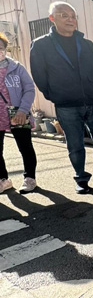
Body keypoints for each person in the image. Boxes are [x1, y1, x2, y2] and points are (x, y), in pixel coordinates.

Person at [29, 2, 93, 194]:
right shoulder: (41, 46)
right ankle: (81, 179)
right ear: (52, 18)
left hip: (92, 102)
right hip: (66, 105)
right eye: (64, 15)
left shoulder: (86, 44)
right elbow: (39, 75)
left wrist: (91, 89)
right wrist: (54, 95)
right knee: (75, 145)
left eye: (73, 16)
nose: (70, 19)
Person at [0, 33, 38, 194]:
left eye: (0, 48)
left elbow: (29, 89)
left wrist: (23, 110)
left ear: (5, 49)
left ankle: (30, 179)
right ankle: (3, 180)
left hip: (18, 112)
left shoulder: (16, 67)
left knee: (25, 147)